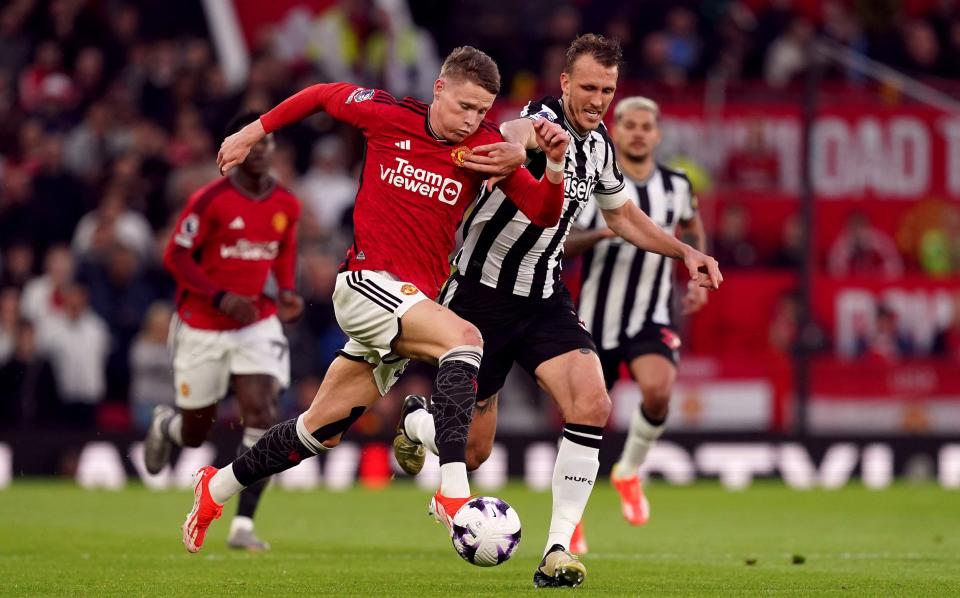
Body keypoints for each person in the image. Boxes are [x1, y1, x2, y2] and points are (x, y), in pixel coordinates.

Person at [180, 47, 570, 559]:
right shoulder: (387, 115)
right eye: (464, 106)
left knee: (316, 432)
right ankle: (454, 498)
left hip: (407, 306)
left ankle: (215, 488)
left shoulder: (483, 150)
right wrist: (255, 130)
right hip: (365, 282)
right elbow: (321, 95)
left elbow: (542, 213)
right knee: (466, 339)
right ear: (439, 89)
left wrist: (556, 168)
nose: (471, 119)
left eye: (481, 111)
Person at [392, 35, 722, 588]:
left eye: (608, 91)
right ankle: (417, 420)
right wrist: (516, 148)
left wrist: (684, 250)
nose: (598, 100)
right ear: (566, 83)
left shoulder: (600, 150)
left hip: (545, 299)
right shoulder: (540, 121)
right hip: (480, 299)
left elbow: (622, 217)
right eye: (588, 87)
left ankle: (556, 551)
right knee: (473, 450)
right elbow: (515, 132)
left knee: (592, 401)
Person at [145, 112, 305, 552]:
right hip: (203, 324)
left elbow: (284, 252)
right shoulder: (210, 199)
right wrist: (219, 297)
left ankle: (242, 526)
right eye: (250, 144)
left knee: (262, 413)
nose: (259, 151)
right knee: (198, 430)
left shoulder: (287, 205)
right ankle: (168, 426)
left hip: (256, 322)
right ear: (233, 149)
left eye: (266, 143)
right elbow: (175, 257)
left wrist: (288, 291)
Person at [563, 96, 709, 552]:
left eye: (648, 126)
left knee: (659, 392)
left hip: (650, 313)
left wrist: (697, 275)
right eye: (630, 125)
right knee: (582, 419)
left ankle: (627, 471)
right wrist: (604, 231)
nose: (639, 133)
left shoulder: (677, 184)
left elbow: (693, 225)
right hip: (594, 318)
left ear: (658, 134)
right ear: (617, 129)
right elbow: (561, 244)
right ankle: (571, 519)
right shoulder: (593, 181)